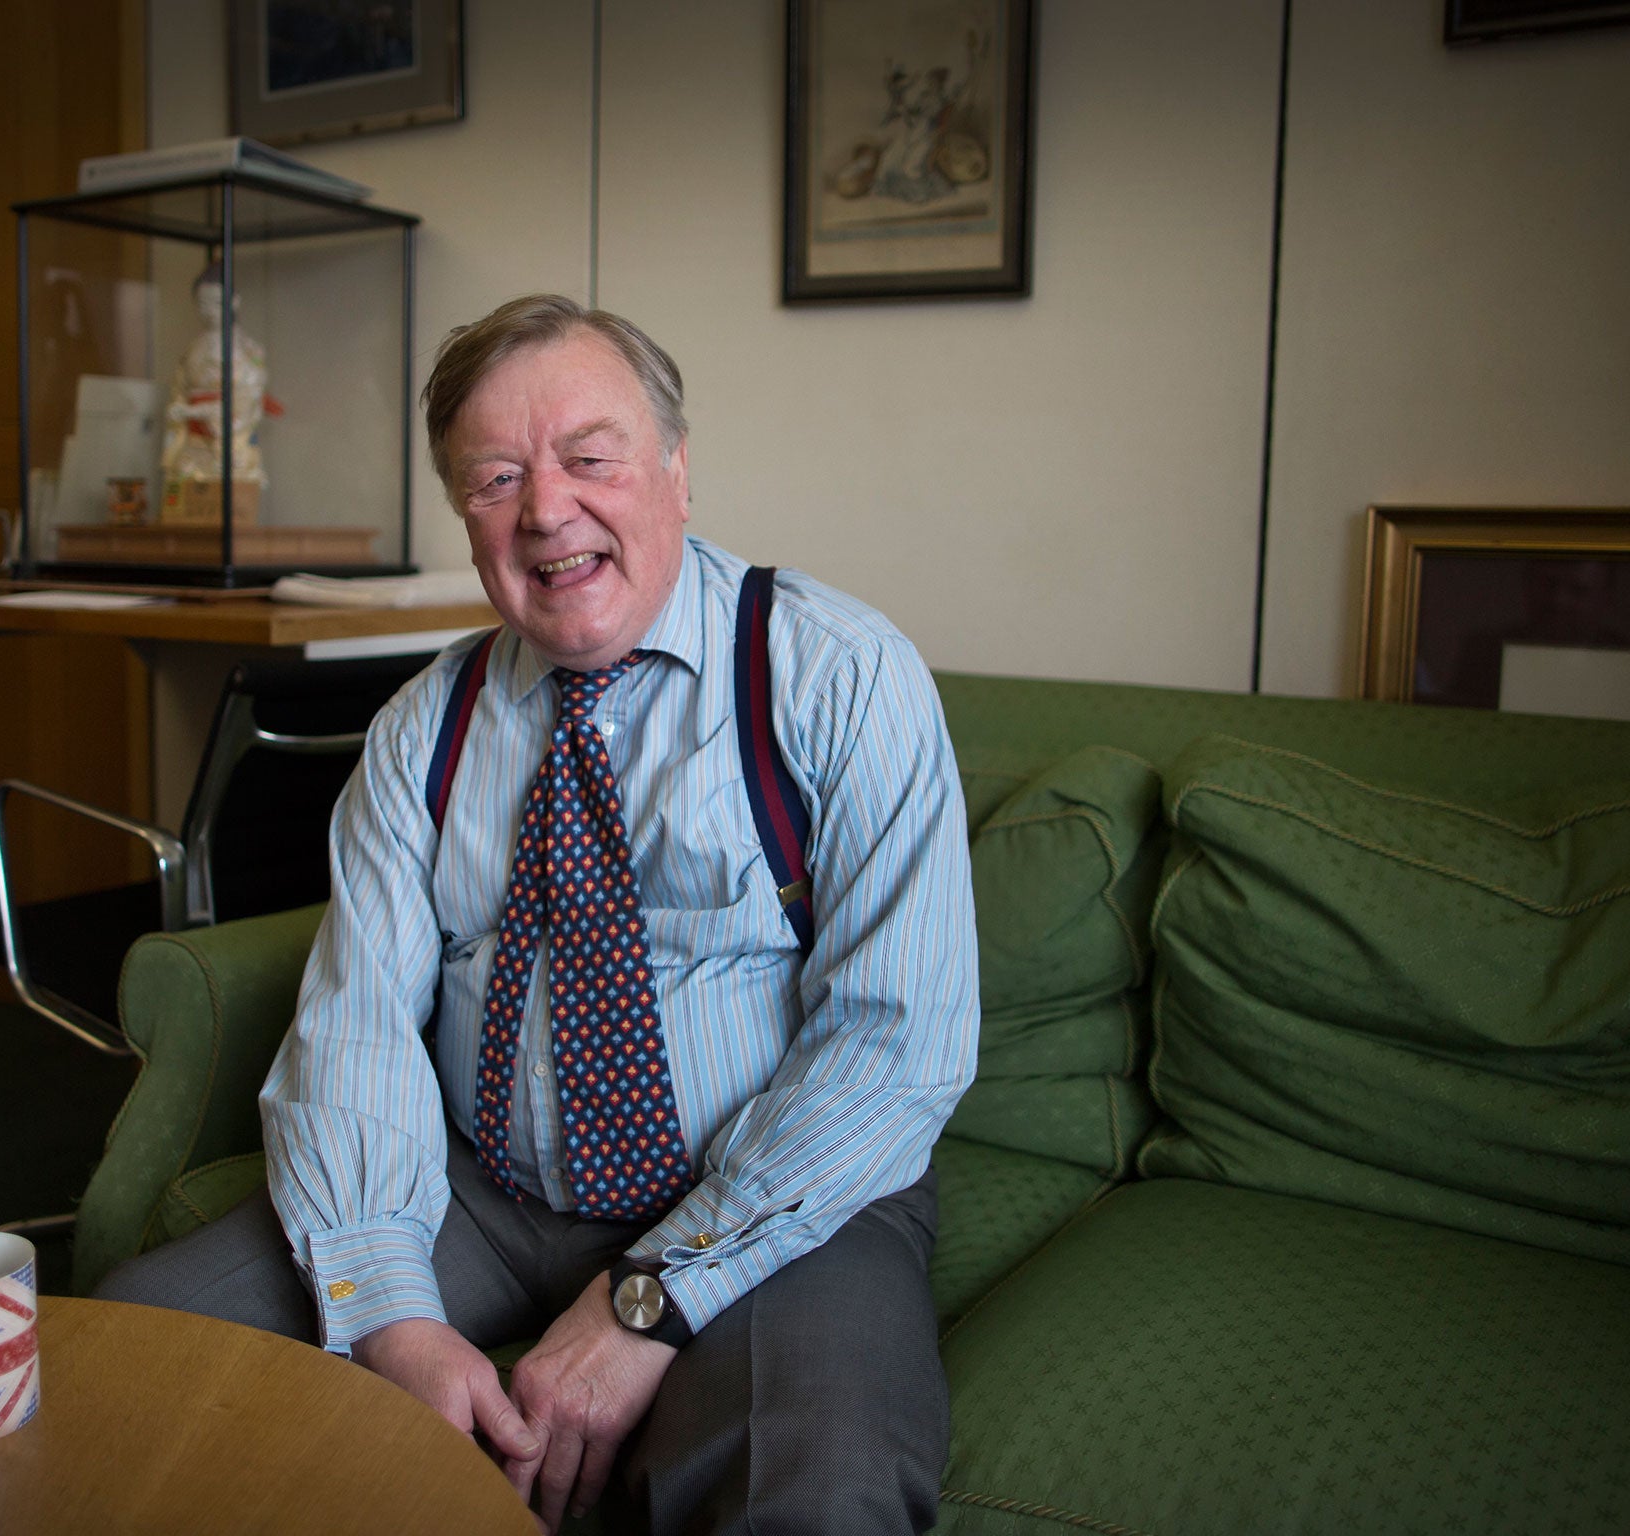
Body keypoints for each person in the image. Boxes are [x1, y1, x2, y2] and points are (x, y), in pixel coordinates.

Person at [97, 293, 978, 1534]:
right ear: (466, 518)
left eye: (588, 457)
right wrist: (392, 1320)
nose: (545, 510)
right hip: (481, 1188)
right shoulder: (420, 736)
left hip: (780, 1191)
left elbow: (894, 1052)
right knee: (130, 1359)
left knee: (814, 1485)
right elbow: (352, 1036)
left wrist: (647, 1303)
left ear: (673, 469)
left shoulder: (840, 678)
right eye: (495, 477)